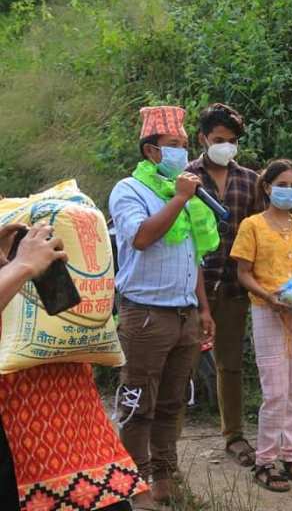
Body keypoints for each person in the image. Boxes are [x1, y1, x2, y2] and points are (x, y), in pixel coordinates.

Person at [109, 106, 217, 508]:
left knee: (173, 403)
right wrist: (180, 199)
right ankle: (132, 485)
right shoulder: (129, 190)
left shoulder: (184, 193)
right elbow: (141, 238)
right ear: (151, 151)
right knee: (138, 402)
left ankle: (165, 476)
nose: (182, 154)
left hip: (185, 313)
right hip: (146, 315)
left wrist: (203, 309)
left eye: (185, 146)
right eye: (174, 146)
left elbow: (195, 258)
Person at [0, 223, 148, 511]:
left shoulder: (19, 257)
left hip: (80, 433)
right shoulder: (22, 264)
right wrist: (22, 266)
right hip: (18, 442)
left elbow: (67, 310)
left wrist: (27, 265)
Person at [231, 159, 292, 492]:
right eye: (281, 184)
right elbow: (243, 274)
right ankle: (265, 461)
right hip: (267, 311)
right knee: (275, 390)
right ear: (267, 187)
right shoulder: (252, 225)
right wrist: (270, 297)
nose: (288, 190)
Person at [185, 103, 262, 467]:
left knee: (229, 363)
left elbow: (256, 232)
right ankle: (161, 435)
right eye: (219, 140)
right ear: (202, 139)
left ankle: (233, 434)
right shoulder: (185, 177)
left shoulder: (249, 180)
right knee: (177, 359)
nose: (226, 147)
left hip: (233, 285)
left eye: (232, 141)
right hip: (190, 284)